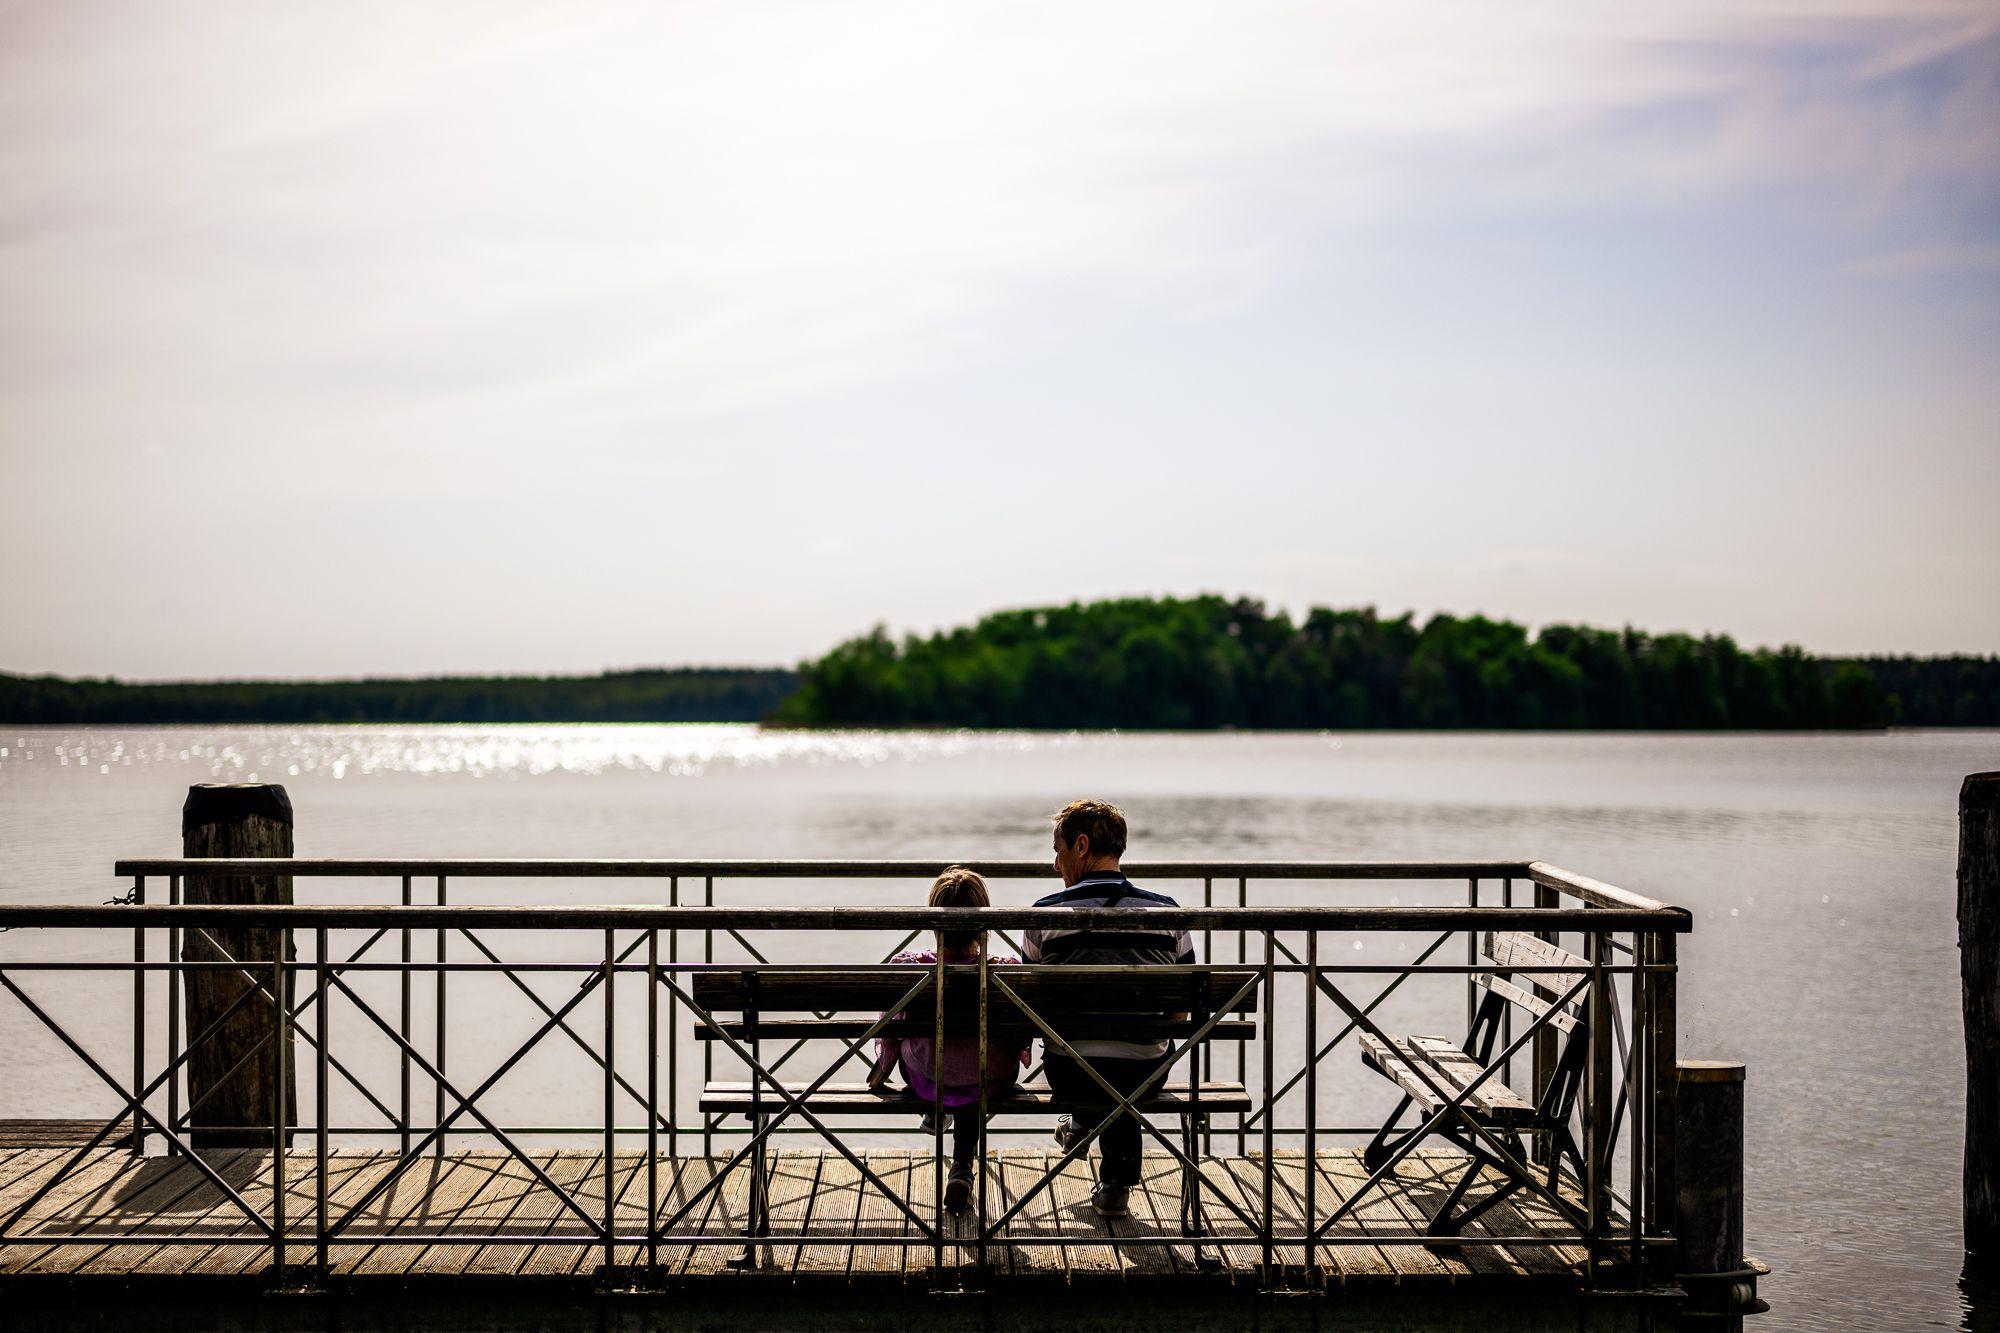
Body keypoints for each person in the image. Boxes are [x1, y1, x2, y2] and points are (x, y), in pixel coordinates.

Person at [1023, 799, 1194, 1218]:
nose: (1054, 864)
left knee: (1093, 1059)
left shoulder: (1045, 914)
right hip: (1145, 1073)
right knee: (1127, 1064)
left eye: (1057, 850)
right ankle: (1115, 1179)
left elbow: (1027, 1008)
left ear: (1081, 847)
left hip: (1070, 1074)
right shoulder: (1168, 912)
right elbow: (1181, 1013)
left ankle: (1084, 1125)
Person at [867, 866, 1030, 1211]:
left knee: (936, 1063)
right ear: (983, 919)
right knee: (977, 1071)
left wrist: (883, 1068)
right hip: (990, 1078)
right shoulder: (1003, 969)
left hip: (929, 1079)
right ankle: (961, 1167)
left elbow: (891, 1033)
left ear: (933, 919)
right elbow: (1021, 1034)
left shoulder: (910, 967)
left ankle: (936, 1112)